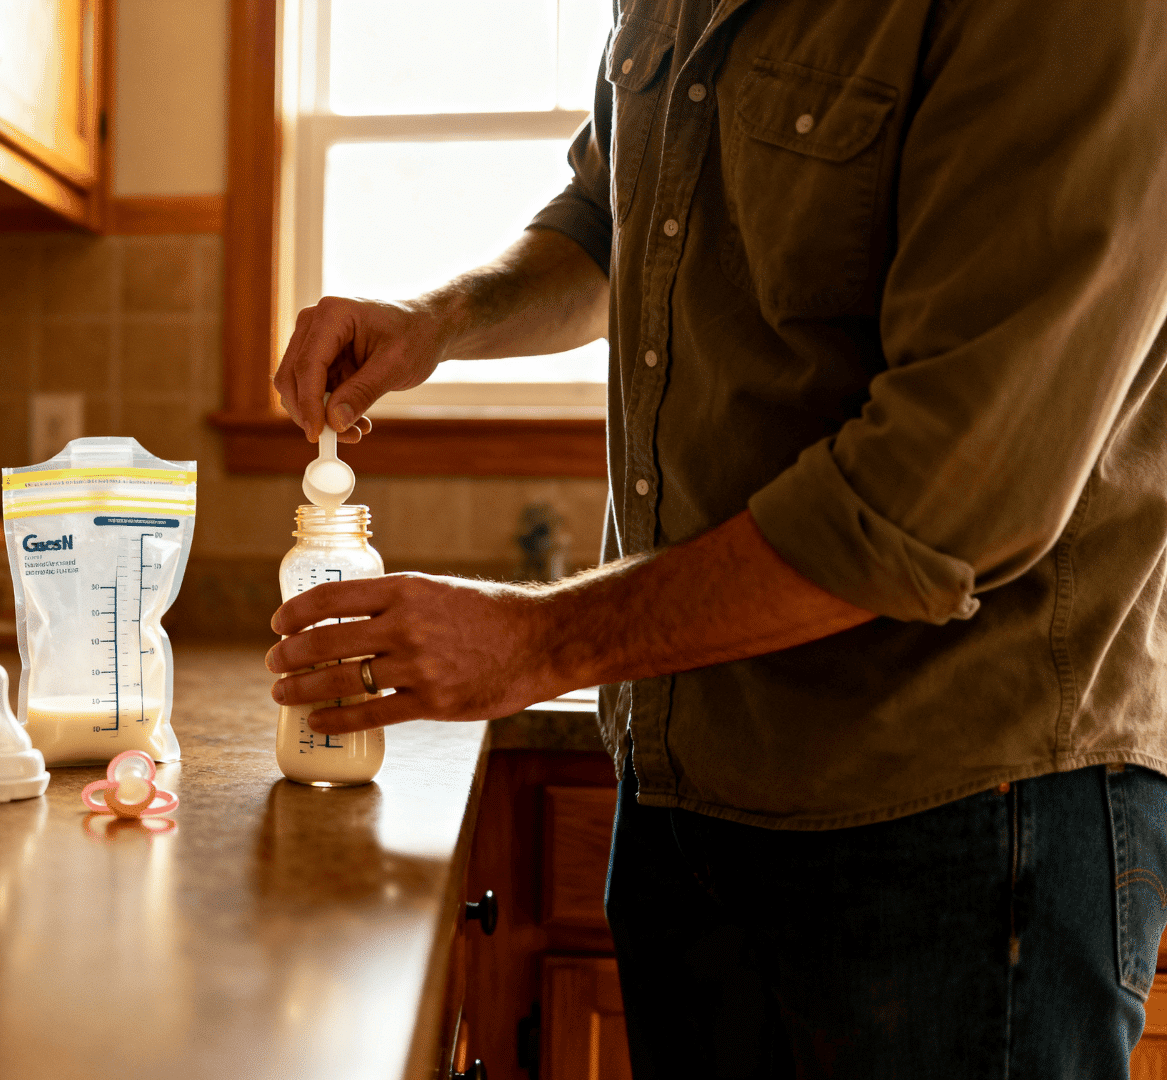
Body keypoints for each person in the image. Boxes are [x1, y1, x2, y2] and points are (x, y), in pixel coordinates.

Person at [264, 0, 1167, 1075]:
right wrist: (442, 320)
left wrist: (537, 641)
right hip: (688, 796)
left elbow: (945, 493)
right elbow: (611, 219)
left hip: (960, 821)